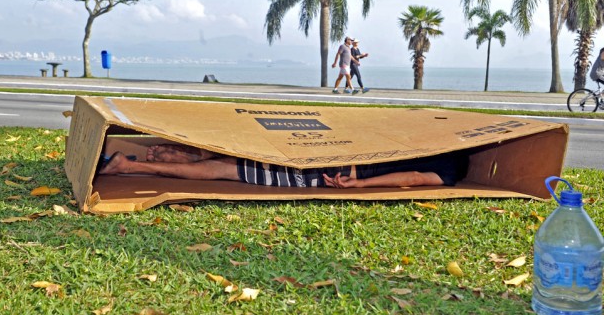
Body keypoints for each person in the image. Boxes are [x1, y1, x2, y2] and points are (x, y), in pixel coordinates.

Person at [100, 143, 469, 189]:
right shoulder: (451, 172)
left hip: (332, 150)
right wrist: (359, 185)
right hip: (333, 172)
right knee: (228, 170)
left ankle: (168, 155)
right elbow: (415, 177)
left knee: (233, 158)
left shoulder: (436, 139)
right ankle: (125, 168)